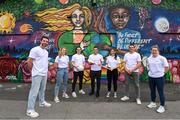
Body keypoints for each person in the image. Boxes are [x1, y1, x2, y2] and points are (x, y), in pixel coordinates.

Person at [26, 36, 51, 118]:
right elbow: (29, 61)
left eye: (47, 41)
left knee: (42, 89)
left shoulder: (46, 52)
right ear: (41, 41)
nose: (45, 42)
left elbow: (44, 61)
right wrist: (31, 71)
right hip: (37, 74)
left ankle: (42, 102)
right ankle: (30, 110)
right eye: (44, 40)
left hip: (44, 73)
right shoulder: (35, 49)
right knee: (34, 92)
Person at [147, 45, 169, 113]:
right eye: (153, 50)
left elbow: (167, 67)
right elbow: (148, 66)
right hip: (151, 77)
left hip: (159, 78)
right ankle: (153, 103)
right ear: (151, 51)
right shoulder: (149, 58)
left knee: (160, 92)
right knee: (152, 91)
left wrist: (162, 73)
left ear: (158, 51)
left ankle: (162, 106)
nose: (154, 51)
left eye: (155, 50)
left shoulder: (162, 58)